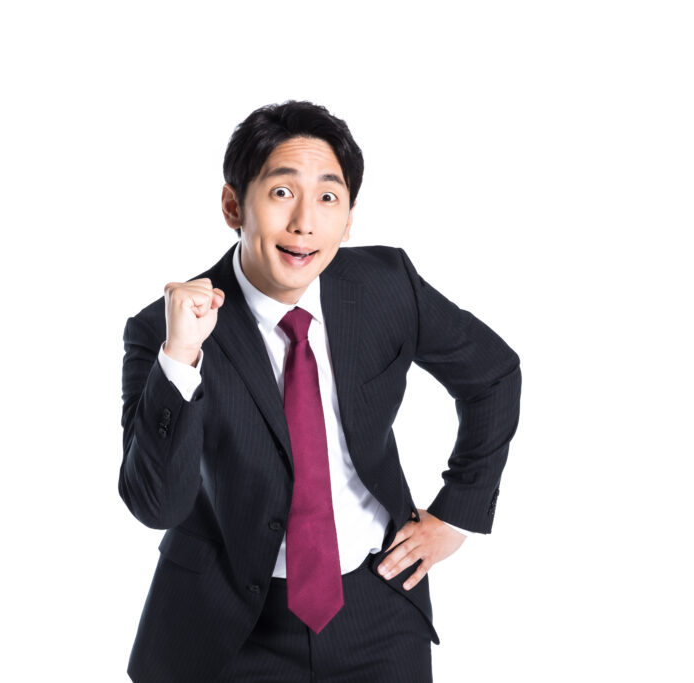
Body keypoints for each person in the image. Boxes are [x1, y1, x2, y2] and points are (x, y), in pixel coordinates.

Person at [118, 101, 521, 683]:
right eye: (282, 193)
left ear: (349, 218)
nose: (305, 223)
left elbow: (493, 374)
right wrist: (181, 357)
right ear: (233, 205)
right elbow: (156, 505)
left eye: (328, 197)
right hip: (227, 625)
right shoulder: (165, 330)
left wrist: (457, 513)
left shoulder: (386, 287)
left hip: (377, 607)